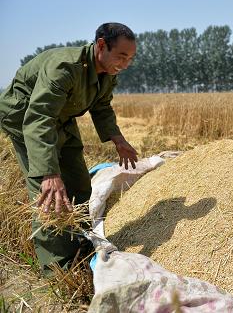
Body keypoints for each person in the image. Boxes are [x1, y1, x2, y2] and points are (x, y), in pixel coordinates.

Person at [0, 22, 139, 275]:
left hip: (60, 117)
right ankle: (58, 269)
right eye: (121, 56)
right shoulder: (64, 68)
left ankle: (81, 244)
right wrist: (49, 173)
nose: (125, 64)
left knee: (78, 182)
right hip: (24, 119)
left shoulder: (108, 71)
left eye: (130, 58)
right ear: (101, 45)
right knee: (49, 196)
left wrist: (117, 139)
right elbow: (39, 117)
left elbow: (102, 106)